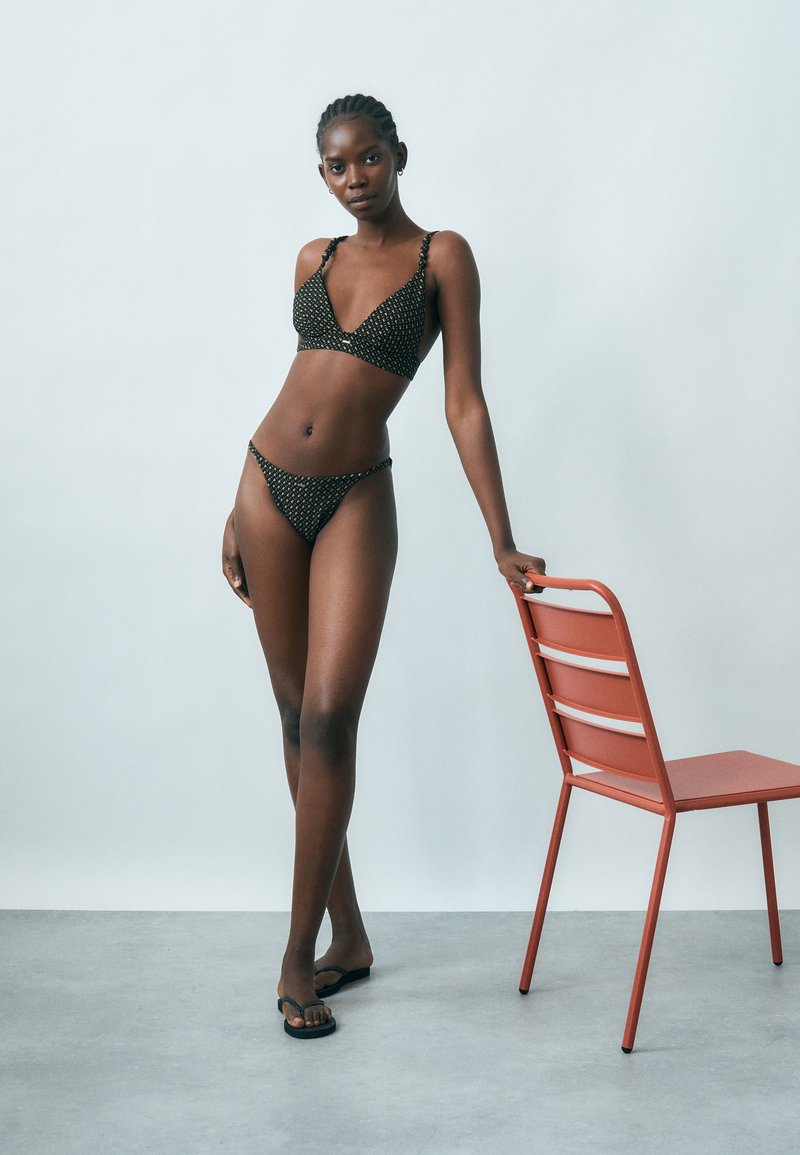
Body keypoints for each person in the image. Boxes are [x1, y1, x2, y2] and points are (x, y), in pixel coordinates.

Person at [222, 94, 545, 1038]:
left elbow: (464, 403)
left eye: (368, 158)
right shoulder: (312, 259)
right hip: (264, 486)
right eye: (335, 165)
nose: (353, 178)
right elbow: (299, 385)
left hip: (357, 495)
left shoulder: (443, 257)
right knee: (295, 717)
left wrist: (500, 538)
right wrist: (235, 506)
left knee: (330, 720)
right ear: (321, 174)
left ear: (399, 154)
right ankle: (349, 935)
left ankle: (297, 957)